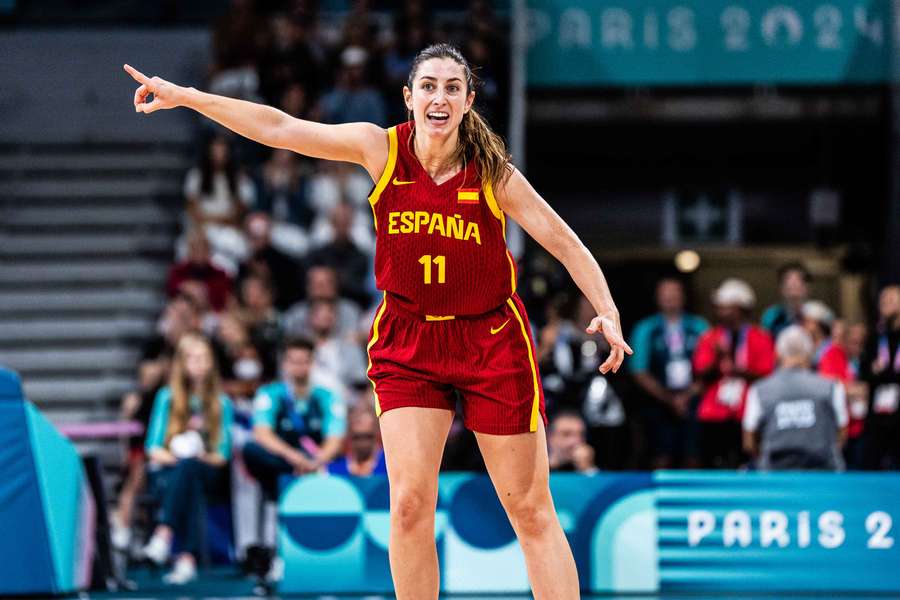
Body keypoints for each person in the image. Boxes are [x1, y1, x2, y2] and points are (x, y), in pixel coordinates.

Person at [124, 42, 631, 600]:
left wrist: (606, 309)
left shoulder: (493, 173)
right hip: (409, 336)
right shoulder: (380, 148)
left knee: (530, 509)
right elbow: (280, 127)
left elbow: (562, 239)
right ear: (409, 97)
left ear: (468, 101)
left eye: (453, 87)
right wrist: (189, 97)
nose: (440, 97)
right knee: (410, 503)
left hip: (488, 337)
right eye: (430, 86)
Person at [141, 334, 235, 585]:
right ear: (181, 363)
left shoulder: (221, 403)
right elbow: (152, 447)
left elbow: (222, 456)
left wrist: (200, 456)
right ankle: (186, 560)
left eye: (204, 358)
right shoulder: (166, 397)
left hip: (208, 471)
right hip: (171, 470)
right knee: (187, 475)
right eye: (192, 359)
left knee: (192, 468)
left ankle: (163, 534)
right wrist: (178, 457)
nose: (199, 364)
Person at [242, 337, 347, 499]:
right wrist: (294, 457)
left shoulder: (327, 396)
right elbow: (262, 433)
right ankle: (281, 493)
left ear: (312, 363)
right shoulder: (270, 393)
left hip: (317, 459)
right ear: (285, 364)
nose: (299, 366)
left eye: (304, 361)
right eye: (294, 361)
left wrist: (316, 461)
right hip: (284, 460)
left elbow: (335, 438)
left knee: (343, 455)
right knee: (251, 450)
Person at [693, 278, 775, 468]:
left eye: (726, 307)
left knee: (746, 462)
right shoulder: (710, 337)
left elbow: (768, 375)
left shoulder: (760, 337)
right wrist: (717, 358)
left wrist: (740, 372)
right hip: (714, 413)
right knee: (713, 463)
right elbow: (700, 373)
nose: (720, 312)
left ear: (740, 309)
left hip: (748, 412)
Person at [743, 326, 848, 471]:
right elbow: (842, 433)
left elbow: (749, 441)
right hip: (824, 477)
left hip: (774, 477)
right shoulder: (832, 387)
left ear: (777, 354)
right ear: (810, 352)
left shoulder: (759, 389)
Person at [629, 278, 708, 468]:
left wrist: (688, 395)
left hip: (694, 399)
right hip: (657, 400)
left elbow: (710, 367)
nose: (670, 298)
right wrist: (669, 399)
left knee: (694, 453)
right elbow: (639, 371)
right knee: (660, 453)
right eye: (666, 294)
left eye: (675, 293)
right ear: (657, 298)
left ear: (683, 297)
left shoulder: (699, 326)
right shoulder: (646, 328)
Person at [860, 284, 900, 469]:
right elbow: (863, 373)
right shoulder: (875, 337)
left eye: (890, 300)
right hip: (878, 414)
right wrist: (873, 371)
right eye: (882, 300)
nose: (884, 304)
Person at [327, 406, 387, 476]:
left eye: (368, 437)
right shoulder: (335, 468)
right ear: (349, 437)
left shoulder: (388, 462)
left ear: (377, 435)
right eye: (357, 437)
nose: (362, 443)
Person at [761, 263, 811, 339]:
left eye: (799, 279)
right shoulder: (771, 316)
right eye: (788, 278)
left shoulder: (818, 315)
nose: (794, 283)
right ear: (781, 288)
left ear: (807, 287)